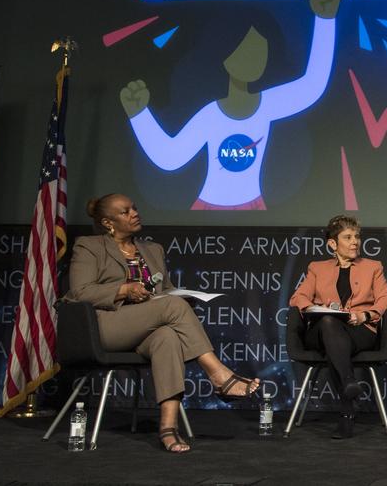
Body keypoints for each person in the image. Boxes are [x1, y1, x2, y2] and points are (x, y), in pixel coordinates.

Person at [119, 0, 341, 210]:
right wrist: (139, 115)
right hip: (207, 209)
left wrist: (325, 21)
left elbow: (313, 85)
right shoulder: (211, 116)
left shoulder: (269, 104)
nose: (255, 59)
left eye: (261, 50)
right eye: (245, 50)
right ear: (224, 53)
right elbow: (170, 157)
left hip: (255, 206)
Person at [66, 193, 261, 453]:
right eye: (125, 211)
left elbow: (164, 291)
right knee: (172, 307)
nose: (134, 213)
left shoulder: (153, 249)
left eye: (134, 208)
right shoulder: (89, 246)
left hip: (146, 326)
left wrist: (182, 298)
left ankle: (168, 428)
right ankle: (218, 374)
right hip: (106, 326)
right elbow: (80, 292)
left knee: (167, 337)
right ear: (107, 222)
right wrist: (123, 290)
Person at [288, 215, 387, 438]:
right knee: (329, 322)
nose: (355, 242)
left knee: (335, 345)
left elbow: (385, 300)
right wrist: (316, 308)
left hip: (359, 331)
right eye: (348, 237)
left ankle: (347, 406)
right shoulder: (317, 268)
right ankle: (348, 383)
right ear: (332, 244)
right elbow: (298, 298)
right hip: (322, 331)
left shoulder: (373, 267)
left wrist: (364, 315)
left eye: (357, 236)